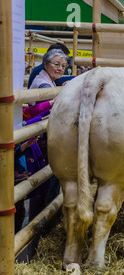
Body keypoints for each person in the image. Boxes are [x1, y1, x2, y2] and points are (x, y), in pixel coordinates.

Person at [25, 48, 69, 221]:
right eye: (56, 64)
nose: (60, 68)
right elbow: (46, 110)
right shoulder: (44, 85)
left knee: (46, 181)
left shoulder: (47, 80)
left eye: (63, 66)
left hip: (41, 136)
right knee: (44, 182)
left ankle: (42, 220)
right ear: (45, 64)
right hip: (39, 138)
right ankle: (39, 223)